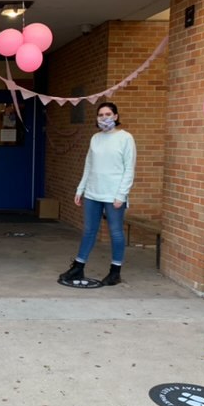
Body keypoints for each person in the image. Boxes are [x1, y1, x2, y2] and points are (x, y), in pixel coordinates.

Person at [59, 102, 136, 286]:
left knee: (116, 232)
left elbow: (129, 169)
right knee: (89, 231)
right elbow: (89, 165)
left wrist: (121, 195)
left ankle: (115, 271)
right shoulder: (95, 138)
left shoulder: (125, 138)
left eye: (108, 114)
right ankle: (78, 266)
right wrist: (81, 189)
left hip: (113, 195)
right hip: (93, 192)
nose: (104, 118)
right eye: (100, 115)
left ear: (116, 116)